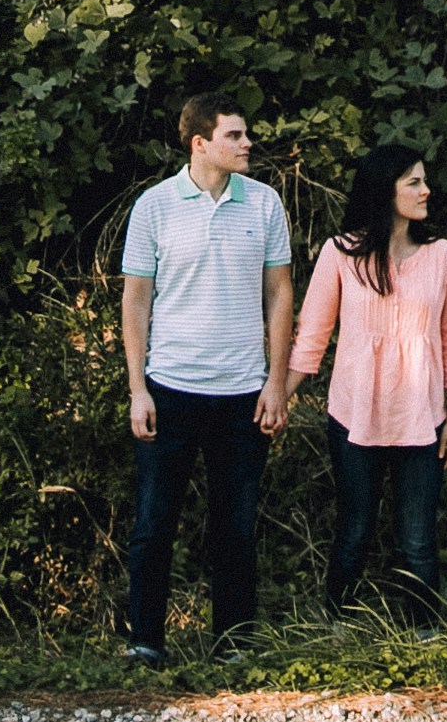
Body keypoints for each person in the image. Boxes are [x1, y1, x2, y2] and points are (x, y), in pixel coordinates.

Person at [117, 89, 293, 662]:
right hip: (169, 389)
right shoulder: (154, 206)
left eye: (245, 133)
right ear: (200, 143)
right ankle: (145, 643)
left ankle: (233, 646)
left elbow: (279, 293)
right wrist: (137, 388)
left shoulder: (264, 203)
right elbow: (136, 300)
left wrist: (276, 382)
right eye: (234, 135)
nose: (247, 143)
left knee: (235, 527)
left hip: (243, 392)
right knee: (154, 523)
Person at [290, 141, 447, 624]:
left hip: (422, 419)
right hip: (354, 416)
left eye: (424, 180)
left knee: (417, 539)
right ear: (383, 190)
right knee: (354, 532)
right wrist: (279, 397)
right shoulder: (340, 254)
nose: (426, 190)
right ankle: (339, 630)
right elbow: (312, 335)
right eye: (414, 182)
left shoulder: (443, 257)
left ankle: (424, 637)